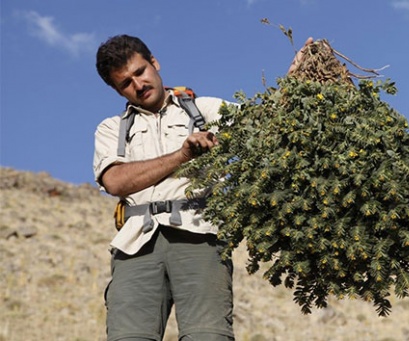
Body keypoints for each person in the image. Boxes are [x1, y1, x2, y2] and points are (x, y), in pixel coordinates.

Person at [94, 34, 311, 341]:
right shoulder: (112, 129)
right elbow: (115, 181)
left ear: (154, 63)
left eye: (140, 72)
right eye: (126, 83)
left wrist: (293, 79)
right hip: (135, 245)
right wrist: (183, 155)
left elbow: (265, 125)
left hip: (200, 236)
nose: (138, 84)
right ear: (117, 90)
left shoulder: (203, 109)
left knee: (208, 335)